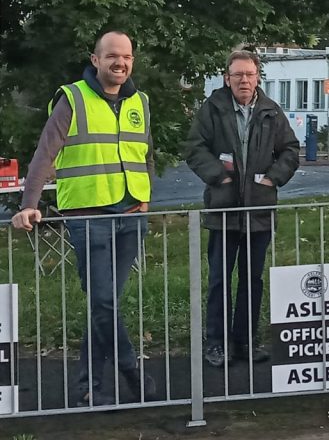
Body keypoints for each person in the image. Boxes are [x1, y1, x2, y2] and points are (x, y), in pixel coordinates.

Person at [12, 31, 157, 406]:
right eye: (111, 56)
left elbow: (145, 153)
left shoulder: (140, 101)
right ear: (96, 59)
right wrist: (29, 202)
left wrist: (145, 199)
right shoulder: (73, 98)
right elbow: (45, 152)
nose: (119, 63)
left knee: (103, 304)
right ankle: (130, 370)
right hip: (88, 218)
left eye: (126, 56)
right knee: (105, 302)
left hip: (130, 217)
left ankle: (88, 388)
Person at [184, 50, 299, 368]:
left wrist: (274, 179)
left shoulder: (271, 111)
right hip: (223, 211)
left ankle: (246, 341)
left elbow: (290, 149)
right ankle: (217, 343)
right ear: (227, 78)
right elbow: (195, 147)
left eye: (249, 74)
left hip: (259, 211)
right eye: (237, 75)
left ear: (258, 77)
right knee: (220, 280)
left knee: (253, 280)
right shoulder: (213, 109)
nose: (244, 80)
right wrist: (216, 175)